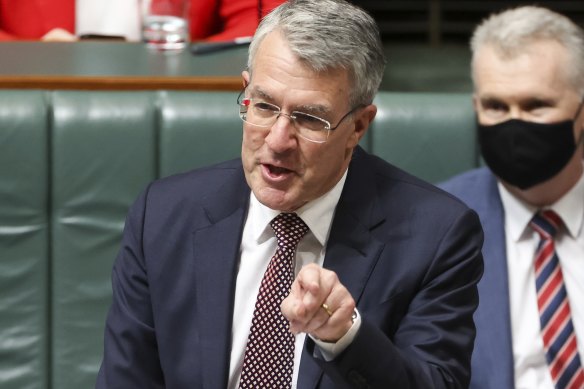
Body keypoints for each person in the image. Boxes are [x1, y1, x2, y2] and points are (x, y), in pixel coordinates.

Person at [96, 0, 484, 387]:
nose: (279, 140)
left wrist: (344, 337)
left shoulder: (436, 236)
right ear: (246, 90)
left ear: (358, 126)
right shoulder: (163, 216)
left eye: (309, 119)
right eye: (264, 106)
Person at [439, 6, 584, 389]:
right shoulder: (435, 225)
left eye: (536, 106)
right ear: (475, 108)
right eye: (496, 107)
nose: (514, 124)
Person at [0, 0, 284, 42]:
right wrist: (32, 55)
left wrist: (188, 61)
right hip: (35, 101)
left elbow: (260, 21)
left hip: (175, 98)